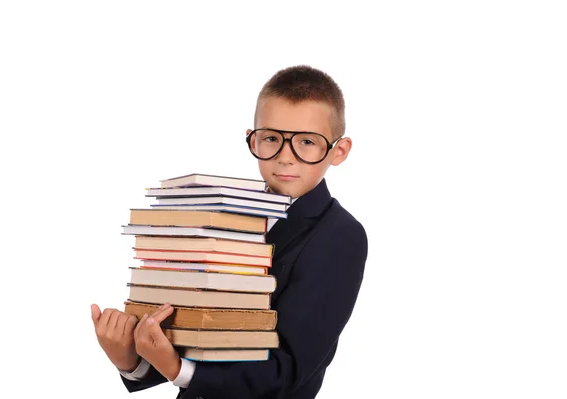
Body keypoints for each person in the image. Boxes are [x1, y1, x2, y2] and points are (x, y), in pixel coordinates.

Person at [91, 64, 368, 399]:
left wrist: (180, 370)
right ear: (252, 138)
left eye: (307, 142)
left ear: (339, 151)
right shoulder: (223, 215)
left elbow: (288, 370)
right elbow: (193, 332)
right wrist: (131, 362)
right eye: (271, 139)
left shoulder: (339, 236)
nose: (285, 157)